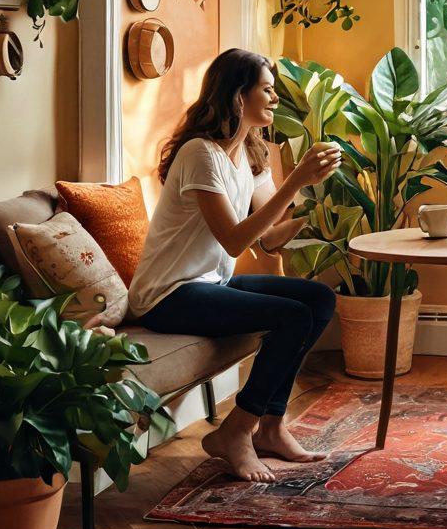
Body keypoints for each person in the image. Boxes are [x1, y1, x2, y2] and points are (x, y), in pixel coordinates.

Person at [128, 48, 342, 483]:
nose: (275, 98)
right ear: (237, 96)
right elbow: (233, 237)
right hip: (167, 295)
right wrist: (297, 179)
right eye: (267, 89)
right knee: (292, 316)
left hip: (211, 284)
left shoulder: (250, 152)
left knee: (317, 299)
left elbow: (269, 238)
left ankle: (271, 427)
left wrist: (320, 206)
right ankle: (237, 431)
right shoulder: (199, 154)